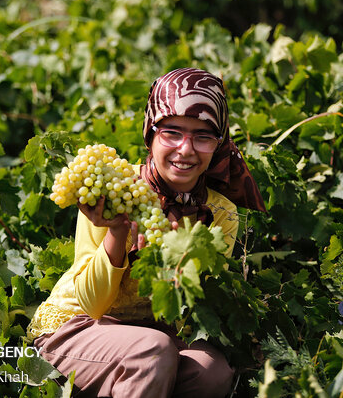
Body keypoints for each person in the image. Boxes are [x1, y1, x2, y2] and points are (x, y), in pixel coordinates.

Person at [27, 68, 266, 397]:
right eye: (172, 132)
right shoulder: (115, 191)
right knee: (152, 351)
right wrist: (116, 233)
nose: (185, 149)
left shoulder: (220, 213)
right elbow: (90, 305)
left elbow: (191, 309)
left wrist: (179, 265)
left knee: (211, 373)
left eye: (203, 136)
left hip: (158, 335)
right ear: (150, 133)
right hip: (77, 328)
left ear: (219, 143)